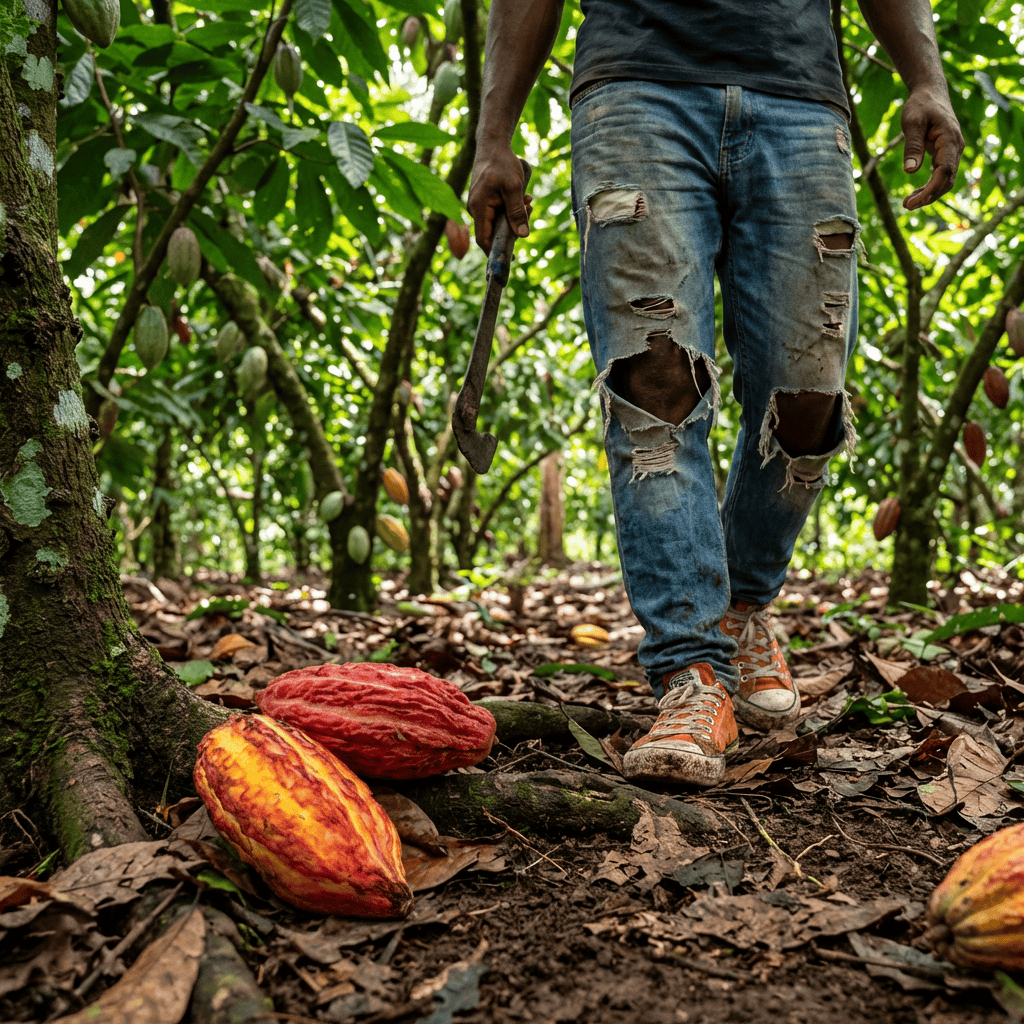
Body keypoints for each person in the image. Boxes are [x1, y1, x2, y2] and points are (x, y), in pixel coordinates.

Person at [467, 0, 963, 787]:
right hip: (637, 86)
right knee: (653, 386)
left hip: (799, 95)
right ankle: (691, 673)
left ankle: (741, 606)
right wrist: (493, 134)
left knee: (810, 401)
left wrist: (925, 80)